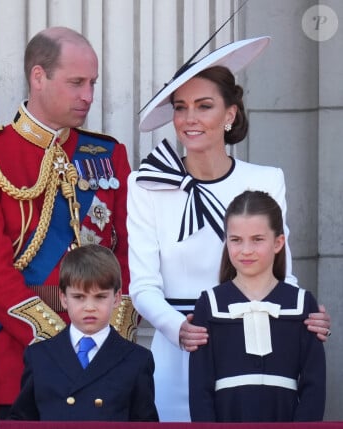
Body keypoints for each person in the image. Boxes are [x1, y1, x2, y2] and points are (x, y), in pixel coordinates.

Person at [127, 37, 331, 421]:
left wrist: (306, 312)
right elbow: (142, 285)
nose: (190, 119)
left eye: (204, 106)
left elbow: (281, 270)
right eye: (180, 108)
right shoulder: (145, 185)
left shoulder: (267, 179)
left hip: (258, 348)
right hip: (181, 350)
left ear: (230, 115)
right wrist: (179, 329)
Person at [0, 26, 135, 419]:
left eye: (93, 83)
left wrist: (106, 335)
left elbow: (128, 250)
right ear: (38, 77)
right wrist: (54, 338)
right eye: (76, 82)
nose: (88, 96)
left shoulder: (108, 153)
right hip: (20, 363)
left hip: (103, 357)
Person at [189, 190, 326, 421]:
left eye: (257, 239)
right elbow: (200, 389)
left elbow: (314, 386)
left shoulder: (302, 304)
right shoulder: (210, 305)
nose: (246, 250)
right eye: (236, 240)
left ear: (278, 242)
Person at [9, 244, 159, 421]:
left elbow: (145, 423)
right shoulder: (39, 356)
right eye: (79, 297)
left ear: (117, 298)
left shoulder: (137, 360)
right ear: (64, 299)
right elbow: (21, 421)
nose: (89, 307)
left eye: (100, 297)